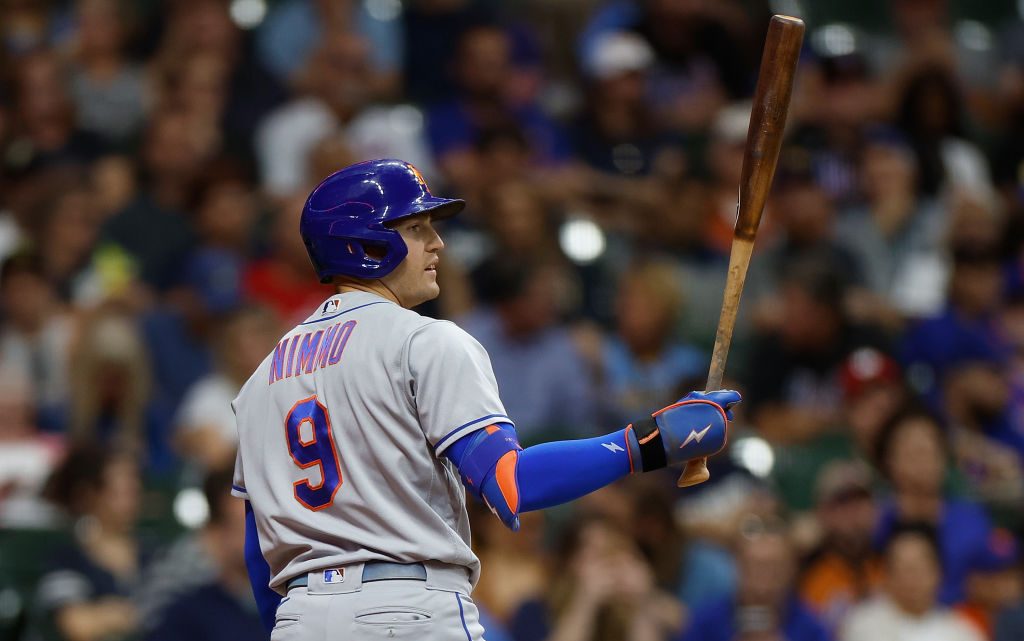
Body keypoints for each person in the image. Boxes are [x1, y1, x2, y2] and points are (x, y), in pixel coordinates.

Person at [231, 159, 741, 639]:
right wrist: (649, 443)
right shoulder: (424, 341)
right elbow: (508, 484)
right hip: (407, 610)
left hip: (299, 621)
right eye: (416, 229)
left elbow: (261, 557)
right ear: (366, 245)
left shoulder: (259, 382)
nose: (437, 244)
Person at [840, 522, 985, 641]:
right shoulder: (862, 623)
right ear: (887, 576)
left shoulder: (962, 633)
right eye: (902, 568)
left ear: (938, 573)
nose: (910, 578)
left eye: (917, 568)